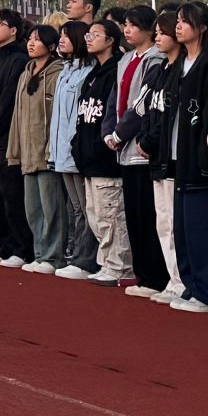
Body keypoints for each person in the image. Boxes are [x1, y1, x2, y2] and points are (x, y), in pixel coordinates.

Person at [167, 0, 208, 313]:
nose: (178, 26)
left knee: (203, 226)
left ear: (202, 27)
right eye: (177, 21)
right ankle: (192, 285)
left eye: (185, 21)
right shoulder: (179, 63)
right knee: (183, 227)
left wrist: (205, 155)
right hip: (177, 154)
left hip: (199, 156)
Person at [107, 5, 169, 297]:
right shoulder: (125, 59)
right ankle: (143, 274)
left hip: (141, 148)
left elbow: (141, 106)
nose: (127, 30)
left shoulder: (156, 59)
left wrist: (121, 133)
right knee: (133, 215)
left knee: (148, 215)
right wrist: (110, 131)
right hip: (123, 148)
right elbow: (115, 99)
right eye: (126, 25)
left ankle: (155, 276)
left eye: (133, 25)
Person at [71, 18, 130, 286]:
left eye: (95, 34)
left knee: (111, 216)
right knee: (96, 217)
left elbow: (113, 113)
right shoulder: (93, 73)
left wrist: (102, 144)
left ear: (111, 40)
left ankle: (119, 266)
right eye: (88, 35)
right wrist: (77, 145)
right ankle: (106, 263)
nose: (89, 39)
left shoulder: (116, 70)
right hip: (87, 158)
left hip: (106, 158)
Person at [135, 6, 185, 301]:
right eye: (156, 32)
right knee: (163, 222)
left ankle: (181, 281)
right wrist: (144, 139)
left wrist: (151, 140)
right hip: (155, 157)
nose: (157, 37)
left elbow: (170, 117)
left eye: (162, 32)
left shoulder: (183, 70)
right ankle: (173, 280)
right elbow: (144, 109)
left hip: (171, 156)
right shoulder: (158, 70)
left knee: (175, 223)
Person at [11, 24, 66, 273]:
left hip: (47, 152)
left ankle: (54, 257)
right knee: (33, 209)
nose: (31, 43)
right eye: (30, 39)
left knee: (52, 208)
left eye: (38, 39)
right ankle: (40, 253)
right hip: (27, 151)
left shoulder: (58, 73)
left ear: (52, 46)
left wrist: (52, 149)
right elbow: (17, 115)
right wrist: (15, 150)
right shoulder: (25, 74)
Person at [0, 9, 32, 266]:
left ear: (13, 30)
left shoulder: (19, 59)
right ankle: (4, 245)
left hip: (8, 139)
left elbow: (8, 101)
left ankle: (21, 248)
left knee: (12, 194)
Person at [51, 20, 98, 278]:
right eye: (60, 35)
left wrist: (73, 146)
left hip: (75, 150)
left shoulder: (87, 71)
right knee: (75, 207)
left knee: (84, 207)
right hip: (61, 151)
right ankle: (76, 253)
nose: (61, 40)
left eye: (67, 36)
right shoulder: (65, 71)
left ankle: (85, 259)